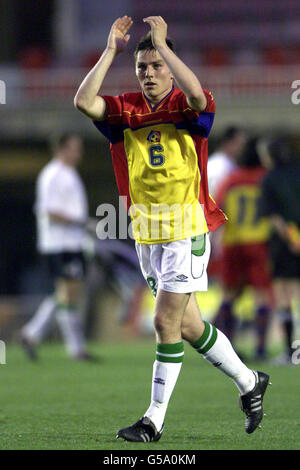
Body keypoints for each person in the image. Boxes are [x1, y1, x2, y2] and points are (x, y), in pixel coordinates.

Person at [74, 15, 270, 442]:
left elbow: (199, 95)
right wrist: (111, 51)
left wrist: (164, 47)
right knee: (188, 327)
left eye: (156, 65)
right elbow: (83, 101)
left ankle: (153, 420)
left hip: (186, 229)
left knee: (165, 322)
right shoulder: (125, 110)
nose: (148, 73)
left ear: (169, 64)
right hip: (146, 234)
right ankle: (250, 382)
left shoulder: (186, 108)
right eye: (142, 66)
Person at [20, 133, 93, 361]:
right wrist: (82, 222)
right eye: (74, 148)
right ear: (61, 149)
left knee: (65, 294)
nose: (79, 153)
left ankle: (32, 333)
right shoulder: (52, 175)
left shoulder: (68, 173)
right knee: (67, 294)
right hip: (59, 243)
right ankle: (74, 348)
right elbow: (48, 211)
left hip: (71, 241)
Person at [213, 137, 272, 360]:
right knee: (262, 296)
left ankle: (227, 350)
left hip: (232, 241)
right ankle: (260, 349)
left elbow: (218, 207)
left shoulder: (231, 179)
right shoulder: (264, 178)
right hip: (258, 241)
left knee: (228, 295)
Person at [260, 136, 300, 365]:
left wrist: (293, 239)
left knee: (284, 294)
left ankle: (290, 351)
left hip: (284, 243)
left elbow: (275, 217)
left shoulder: (270, 179)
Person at [208, 126, 247, 198]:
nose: (242, 148)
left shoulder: (230, 162)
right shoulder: (217, 165)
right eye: (239, 144)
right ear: (228, 143)